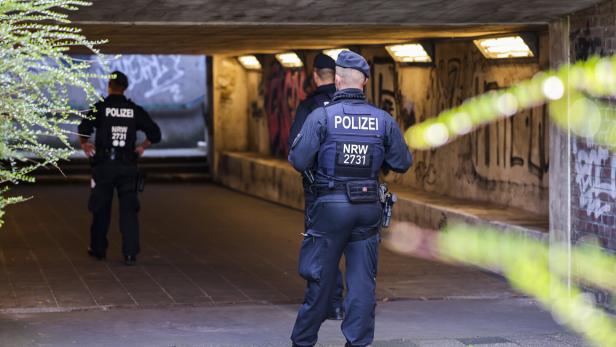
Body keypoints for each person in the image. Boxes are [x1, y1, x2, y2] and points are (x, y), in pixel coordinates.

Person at [288, 51, 412, 347]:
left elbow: (299, 160)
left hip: (330, 207)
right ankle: (357, 342)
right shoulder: (382, 120)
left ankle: (303, 342)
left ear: (338, 80)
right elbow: (402, 161)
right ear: (365, 82)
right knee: (362, 284)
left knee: (320, 279)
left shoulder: (322, 116)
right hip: (368, 207)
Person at [78, 71, 161, 266]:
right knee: (129, 211)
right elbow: (155, 134)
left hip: (104, 166)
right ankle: (130, 253)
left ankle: (98, 250)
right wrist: (141, 147)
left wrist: (85, 145)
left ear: (109, 86)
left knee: (100, 209)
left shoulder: (100, 108)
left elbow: (83, 129)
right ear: (125, 87)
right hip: (127, 166)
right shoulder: (134, 110)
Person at [288, 53, 344, 321]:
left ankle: (325, 304)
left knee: (320, 247)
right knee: (354, 249)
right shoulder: (357, 107)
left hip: (320, 190)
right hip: (356, 192)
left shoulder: (310, 107)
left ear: (314, 76)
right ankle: (346, 304)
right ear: (338, 76)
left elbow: (297, 153)